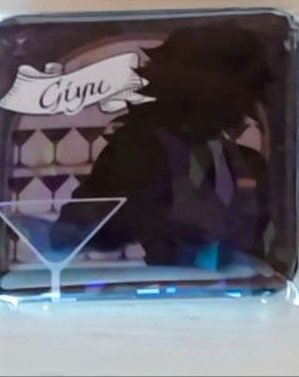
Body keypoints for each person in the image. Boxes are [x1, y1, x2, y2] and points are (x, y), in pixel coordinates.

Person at [50, 25, 275, 269]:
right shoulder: (135, 152)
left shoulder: (246, 162)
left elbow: (269, 245)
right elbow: (68, 235)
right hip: (169, 286)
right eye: (231, 96)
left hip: (243, 288)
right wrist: (150, 220)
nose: (243, 111)